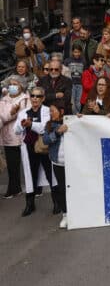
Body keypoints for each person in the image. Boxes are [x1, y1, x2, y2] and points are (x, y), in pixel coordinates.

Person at [15, 87, 52, 216]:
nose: (35, 98)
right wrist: (22, 124)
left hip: (44, 147)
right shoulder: (23, 112)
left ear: (43, 98)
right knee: (31, 175)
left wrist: (31, 125)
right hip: (29, 147)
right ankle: (30, 205)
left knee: (49, 173)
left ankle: (57, 203)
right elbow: (16, 130)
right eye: (33, 96)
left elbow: (45, 128)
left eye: (38, 96)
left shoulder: (47, 111)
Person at [40, 102, 69, 228]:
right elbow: (45, 140)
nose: (51, 113)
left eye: (53, 110)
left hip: (73, 163)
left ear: (61, 111)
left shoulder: (71, 122)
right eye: (50, 111)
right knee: (62, 189)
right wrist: (57, 132)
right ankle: (65, 215)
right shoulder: (50, 125)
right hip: (58, 163)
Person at [1, 77, 29, 198]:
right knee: (12, 165)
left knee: (24, 164)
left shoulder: (25, 99)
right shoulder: (4, 100)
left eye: (15, 84)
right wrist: (11, 113)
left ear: (21, 86)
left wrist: (11, 114)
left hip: (21, 136)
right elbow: (3, 116)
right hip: (7, 136)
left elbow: (22, 116)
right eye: (11, 84)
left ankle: (30, 189)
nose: (12, 86)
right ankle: (14, 188)